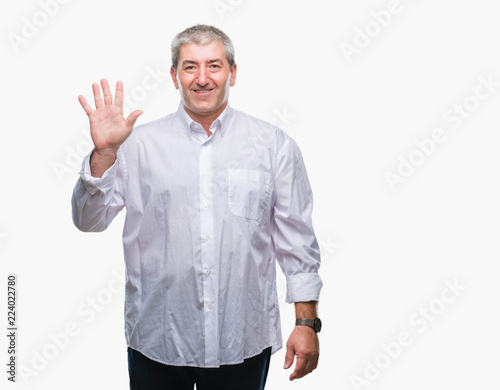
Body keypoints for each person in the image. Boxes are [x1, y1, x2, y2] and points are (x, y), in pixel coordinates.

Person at [72, 24, 323, 390]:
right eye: (190, 67)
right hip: (157, 339)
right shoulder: (137, 146)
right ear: (174, 75)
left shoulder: (273, 146)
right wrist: (105, 154)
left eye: (214, 66)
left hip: (242, 339)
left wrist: (307, 323)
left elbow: (297, 242)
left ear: (232, 73)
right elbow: (87, 220)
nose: (202, 78)